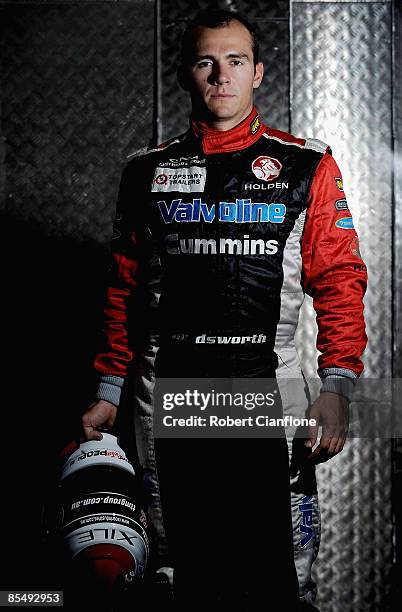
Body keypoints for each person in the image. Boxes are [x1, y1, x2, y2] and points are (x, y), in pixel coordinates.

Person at [82, 9, 367, 611]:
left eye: (235, 61)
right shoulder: (146, 172)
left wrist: (338, 383)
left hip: (269, 390)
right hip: (167, 394)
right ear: (188, 73)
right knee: (177, 576)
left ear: (258, 72)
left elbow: (340, 278)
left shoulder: (305, 164)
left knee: (280, 582)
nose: (221, 76)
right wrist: (109, 388)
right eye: (206, 61)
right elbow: (122, 289)